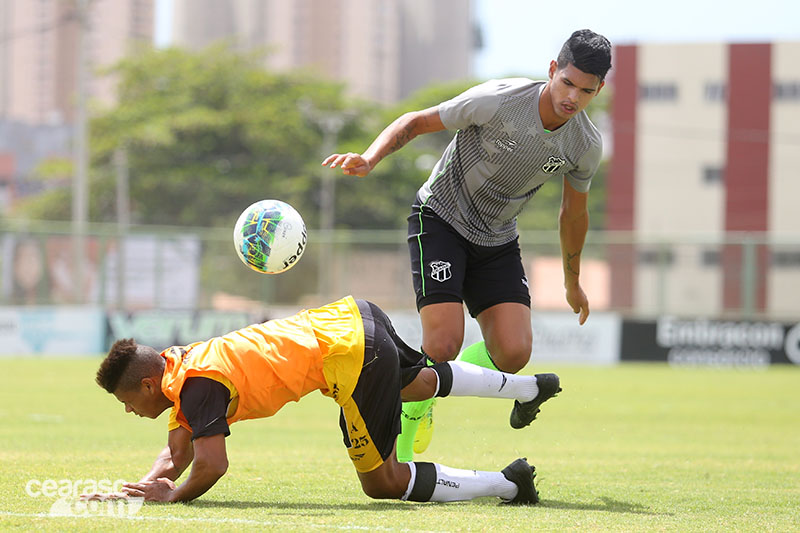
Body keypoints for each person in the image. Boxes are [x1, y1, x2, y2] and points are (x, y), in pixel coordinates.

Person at [322, 29, 611, 461]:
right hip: (440, 219)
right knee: (442, 345)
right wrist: (370, 157)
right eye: (567, 82)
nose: (573, 97)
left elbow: (573, 215)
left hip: (497, 239)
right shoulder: (498, 100)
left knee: (513, 354)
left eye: (586, 90)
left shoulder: (584, 145)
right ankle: (412, 415)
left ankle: (430, 386)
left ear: (598, 89)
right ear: (553, 70)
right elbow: (416, 121)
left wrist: (573, 283)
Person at [82, 296, 559, 505]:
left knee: (384, 483)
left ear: (146, 386)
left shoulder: (196, 384)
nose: (128, 412)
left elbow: (210, 465)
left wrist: (174, 495)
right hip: (352, 315)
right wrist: (139, 488)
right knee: (420, 384)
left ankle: (510, 485)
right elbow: (178, 450)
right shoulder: (177, 366)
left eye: (126, 402)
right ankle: (529, 388)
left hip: (351, 356)